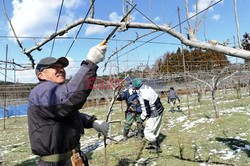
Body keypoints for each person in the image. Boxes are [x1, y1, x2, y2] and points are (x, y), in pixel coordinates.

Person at [27, 44, 109, 166]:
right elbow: (69, 100)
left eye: (62, 67)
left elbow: (69, 113)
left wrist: (92, 122)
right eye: (54, 67)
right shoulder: (42, 91)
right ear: (41, 75)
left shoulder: (53, 93)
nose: (61, 69)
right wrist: (91, 63)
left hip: (72, 159)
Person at [132, 78, 164, 153]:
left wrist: (142, 118)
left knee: (147, 132)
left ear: (136, 86)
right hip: (160, 108)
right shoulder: (147, 87)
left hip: (154, 112)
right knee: (155, 128)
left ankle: (156, 147)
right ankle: (154, 144)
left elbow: (145, 108)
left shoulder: (142, 94)